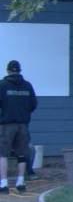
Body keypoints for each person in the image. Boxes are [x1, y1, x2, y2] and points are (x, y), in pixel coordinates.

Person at [0, 60, 37, 194]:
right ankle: (20, 183)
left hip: (6, 125)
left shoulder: (2, 85)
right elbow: (33, 104)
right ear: (20, 70)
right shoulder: (27, 85)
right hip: (23, 125)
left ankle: (4, 185)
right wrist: (23, 113)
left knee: (2, 154)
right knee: (22, 154)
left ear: (8, 70)